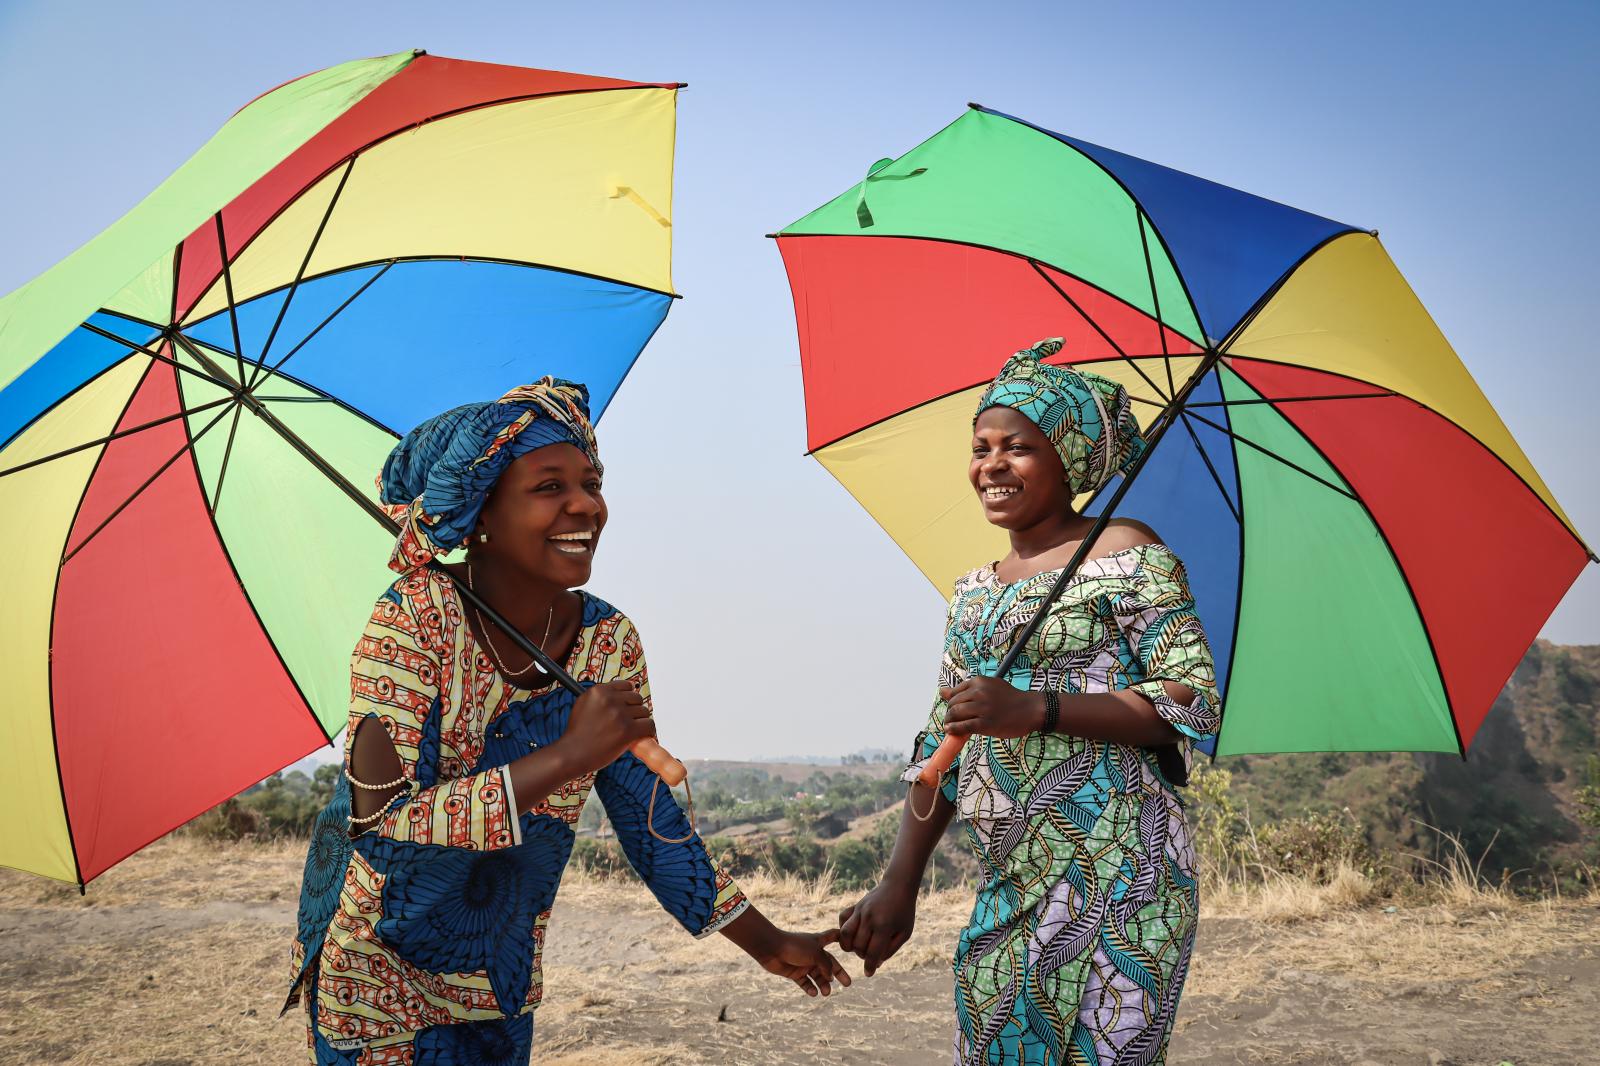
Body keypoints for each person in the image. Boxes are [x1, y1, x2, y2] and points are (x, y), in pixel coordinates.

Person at [287, 378, 848, 1064]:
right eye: (549, 486)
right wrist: (568, 754)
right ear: (480, 509)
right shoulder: (411, 620)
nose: (586, 504)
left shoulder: (608, 641)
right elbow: (386, 823)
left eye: (591, 480)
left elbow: (652, 826)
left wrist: (767, 942)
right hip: (376, 978)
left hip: (499, 973)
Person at [836, 340, 1219, 1065]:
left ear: (1068, 458)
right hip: (1015, 876)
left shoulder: (1129, 553)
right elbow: (940, 747)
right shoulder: (974, 593)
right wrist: (899, 882)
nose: (992, 464)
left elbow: (1190, 698)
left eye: (1018, 446)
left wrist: (1036, 708)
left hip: (1125, 870)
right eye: (981, 447)